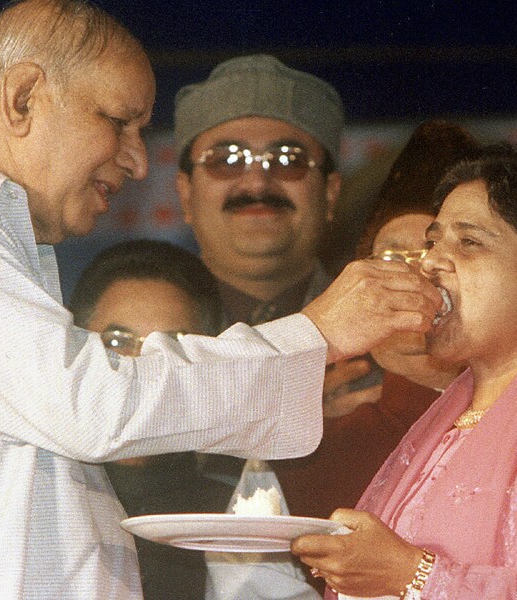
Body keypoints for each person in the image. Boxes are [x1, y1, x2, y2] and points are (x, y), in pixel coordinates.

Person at [0, 1, 442, 598]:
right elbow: (87, 408)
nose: (137, 159)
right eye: (120, 122)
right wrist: (315, 335)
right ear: (23, 99)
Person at [205, 120, 477, 600]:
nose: (414, 292)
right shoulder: (303, 452)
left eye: (438, 261)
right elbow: (249, 588)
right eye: (392, 260)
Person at [291, 144, 517, 599]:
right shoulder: (451, 413)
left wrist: (414, 576)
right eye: (433, 241)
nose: (429, 263)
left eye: (468, 242)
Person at [174, 53, 382, 490]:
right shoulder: (144, 325)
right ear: (186, 195)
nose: (256, 183)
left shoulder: (389, 335)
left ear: (329, 194)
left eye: (288, 159)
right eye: (226, 160)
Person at [68, 238, 229, 600]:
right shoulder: (37, 491)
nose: (138, 367)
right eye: (118, 342)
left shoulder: (234, 514)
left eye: (171, 344)